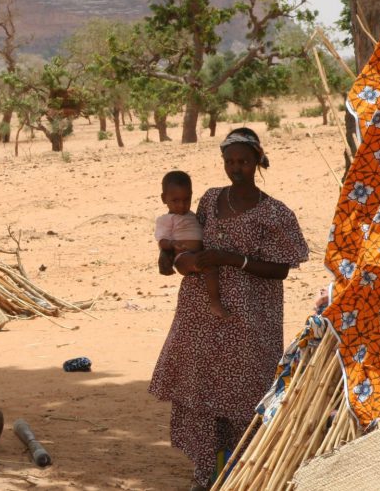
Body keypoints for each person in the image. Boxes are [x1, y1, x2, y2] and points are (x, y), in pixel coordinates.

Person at [149, 127, 308, 490]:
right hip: (200, 315)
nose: (236, 168)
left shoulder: (275, 213)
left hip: (249, 319)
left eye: (244, 162)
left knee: (247, 394)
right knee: (203, 393)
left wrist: (233, 259)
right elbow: (190, 243)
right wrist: (182, 261)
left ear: (258, 161)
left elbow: (281, 269)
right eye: (230, 162)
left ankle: (245, 473)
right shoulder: (209, 200)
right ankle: (206, 474)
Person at [155, 171, 228, 318]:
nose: (181, 205)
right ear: (164, 198)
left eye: (186, 199)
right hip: (183, 256)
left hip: (197, 253)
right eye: (175, 201)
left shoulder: (193, 215)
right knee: (208, 267)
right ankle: (215, 302)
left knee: (213, 265)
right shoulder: (166, 220)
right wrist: (172, 244)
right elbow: (161, 241)